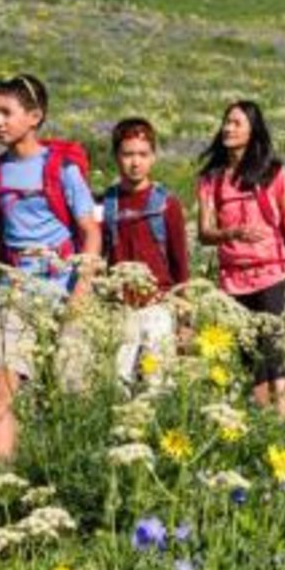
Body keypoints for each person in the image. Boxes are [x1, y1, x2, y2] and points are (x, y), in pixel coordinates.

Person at [0, 74, 101, 464]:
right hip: (15, 289)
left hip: (64, 286)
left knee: (70, 389)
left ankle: (71, 470)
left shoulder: (62, 169)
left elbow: (90, 232)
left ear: (34, 116)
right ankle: (1, 480)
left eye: (7, 112)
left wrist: (82, 291)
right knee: (2, 384)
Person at [195, 100, 285, 418]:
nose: (227, 128)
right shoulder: (211, 179)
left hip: (273, 273)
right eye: (226, 122)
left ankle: (283, 416)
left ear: (253, 130)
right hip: (232, 278)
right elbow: (204, 232)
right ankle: (263, 424)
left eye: (236, 123)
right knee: (251, 356)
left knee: (275, 350)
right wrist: (232, 233)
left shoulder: (273, 173)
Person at [99, 117, 191, 389]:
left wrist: (185, 320)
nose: (135, 162)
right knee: (117, 382)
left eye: (142, 154)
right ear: (116, 156)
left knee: (158, 383)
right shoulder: (107, 203)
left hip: (158, 307)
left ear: (153, 157)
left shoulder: (166, 205)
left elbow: (181, 266)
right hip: (120, 308)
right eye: (127, 154)